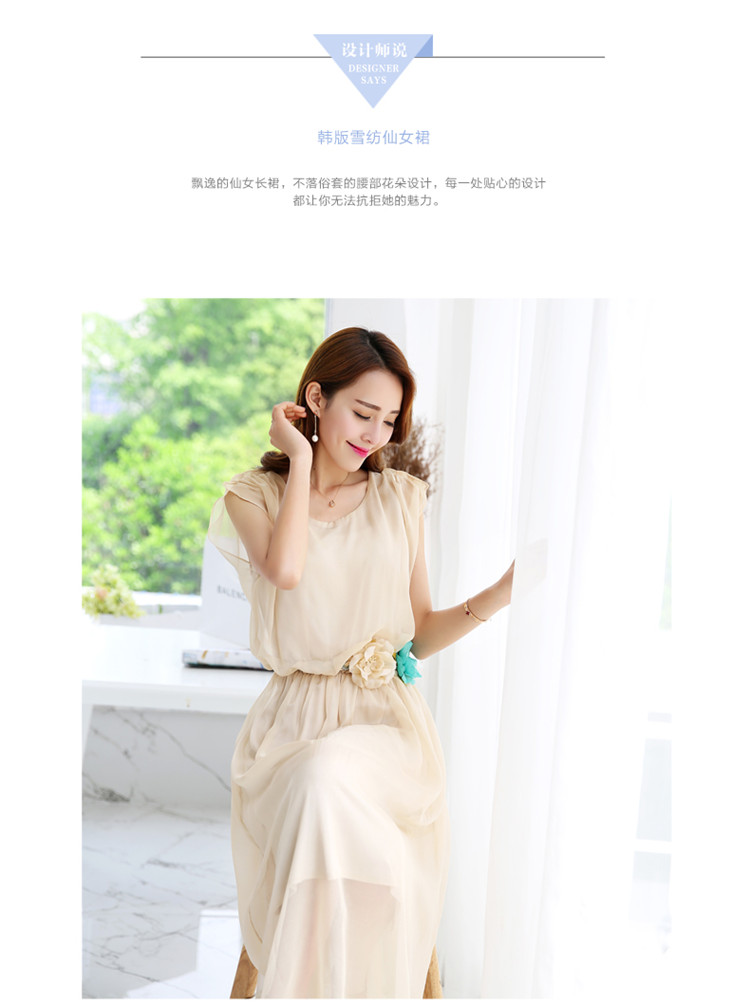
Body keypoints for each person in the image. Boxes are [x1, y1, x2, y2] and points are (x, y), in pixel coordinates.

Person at [208, 327, 514, 998]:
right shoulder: (253, 495)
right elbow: (287, 571)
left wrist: (499, 593)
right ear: (316, 399)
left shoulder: (401, 497)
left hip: (385, 727)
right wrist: (299, 459)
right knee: (319, 785)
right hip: (289, 728)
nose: (376, 435)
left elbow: (419, 633)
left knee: (330, 781)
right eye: (362, 413)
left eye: (389, 420)